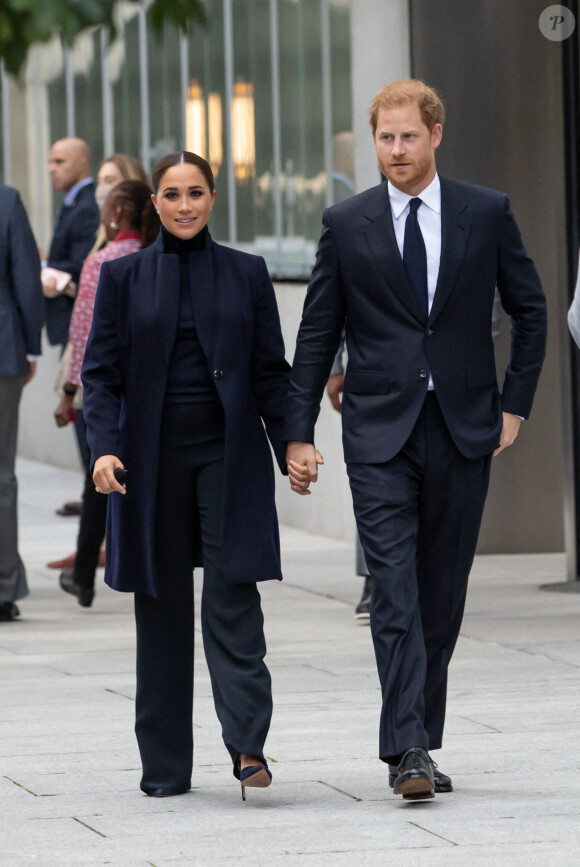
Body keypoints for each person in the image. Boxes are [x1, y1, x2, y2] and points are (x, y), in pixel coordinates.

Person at [285, 79, 547, 801]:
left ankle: (418, 741)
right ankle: (407, 747)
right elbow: (316, 334)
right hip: (377, 431)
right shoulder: (347, 222)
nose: (395, 150)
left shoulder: (485, 213)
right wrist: (296, 431)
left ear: (435, 134)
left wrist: (514, 408)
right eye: (383, 137)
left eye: (407, 136)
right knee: (394, 589)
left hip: (464, 429)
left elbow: (531, 311)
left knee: (441, 594)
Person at [81, 151, 291, 800]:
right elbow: (100, 375)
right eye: (172, 195)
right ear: (157, 204)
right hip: (149, 464)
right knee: (162, 609)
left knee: (233, 597)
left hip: (228, 455)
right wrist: (104, 448)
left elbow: (269, 373)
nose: (184, 205)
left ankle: (248, 742)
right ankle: (166, 766)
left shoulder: (247, 273)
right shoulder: (124, 279)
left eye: (196, 192)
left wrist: (294, 444)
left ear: (213, 198)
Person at [54, 181, 159, 606]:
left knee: (98, 478)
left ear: (116, 213)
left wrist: (69, 393)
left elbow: (84, 335)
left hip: (110, 391)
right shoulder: (155, 258)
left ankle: (84, 574)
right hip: (153, 390)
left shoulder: (101, 262)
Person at [0, 184, 44, 621]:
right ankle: (3, 583)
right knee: (1, 473)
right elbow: (26, 276)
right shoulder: (6, 200)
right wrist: (31, 347)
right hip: (2, 351)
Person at [326, 333, 371, 621]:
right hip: (375, 385)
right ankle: (375, 579)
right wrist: (334, 368)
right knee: (376, 488)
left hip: (448, 385)